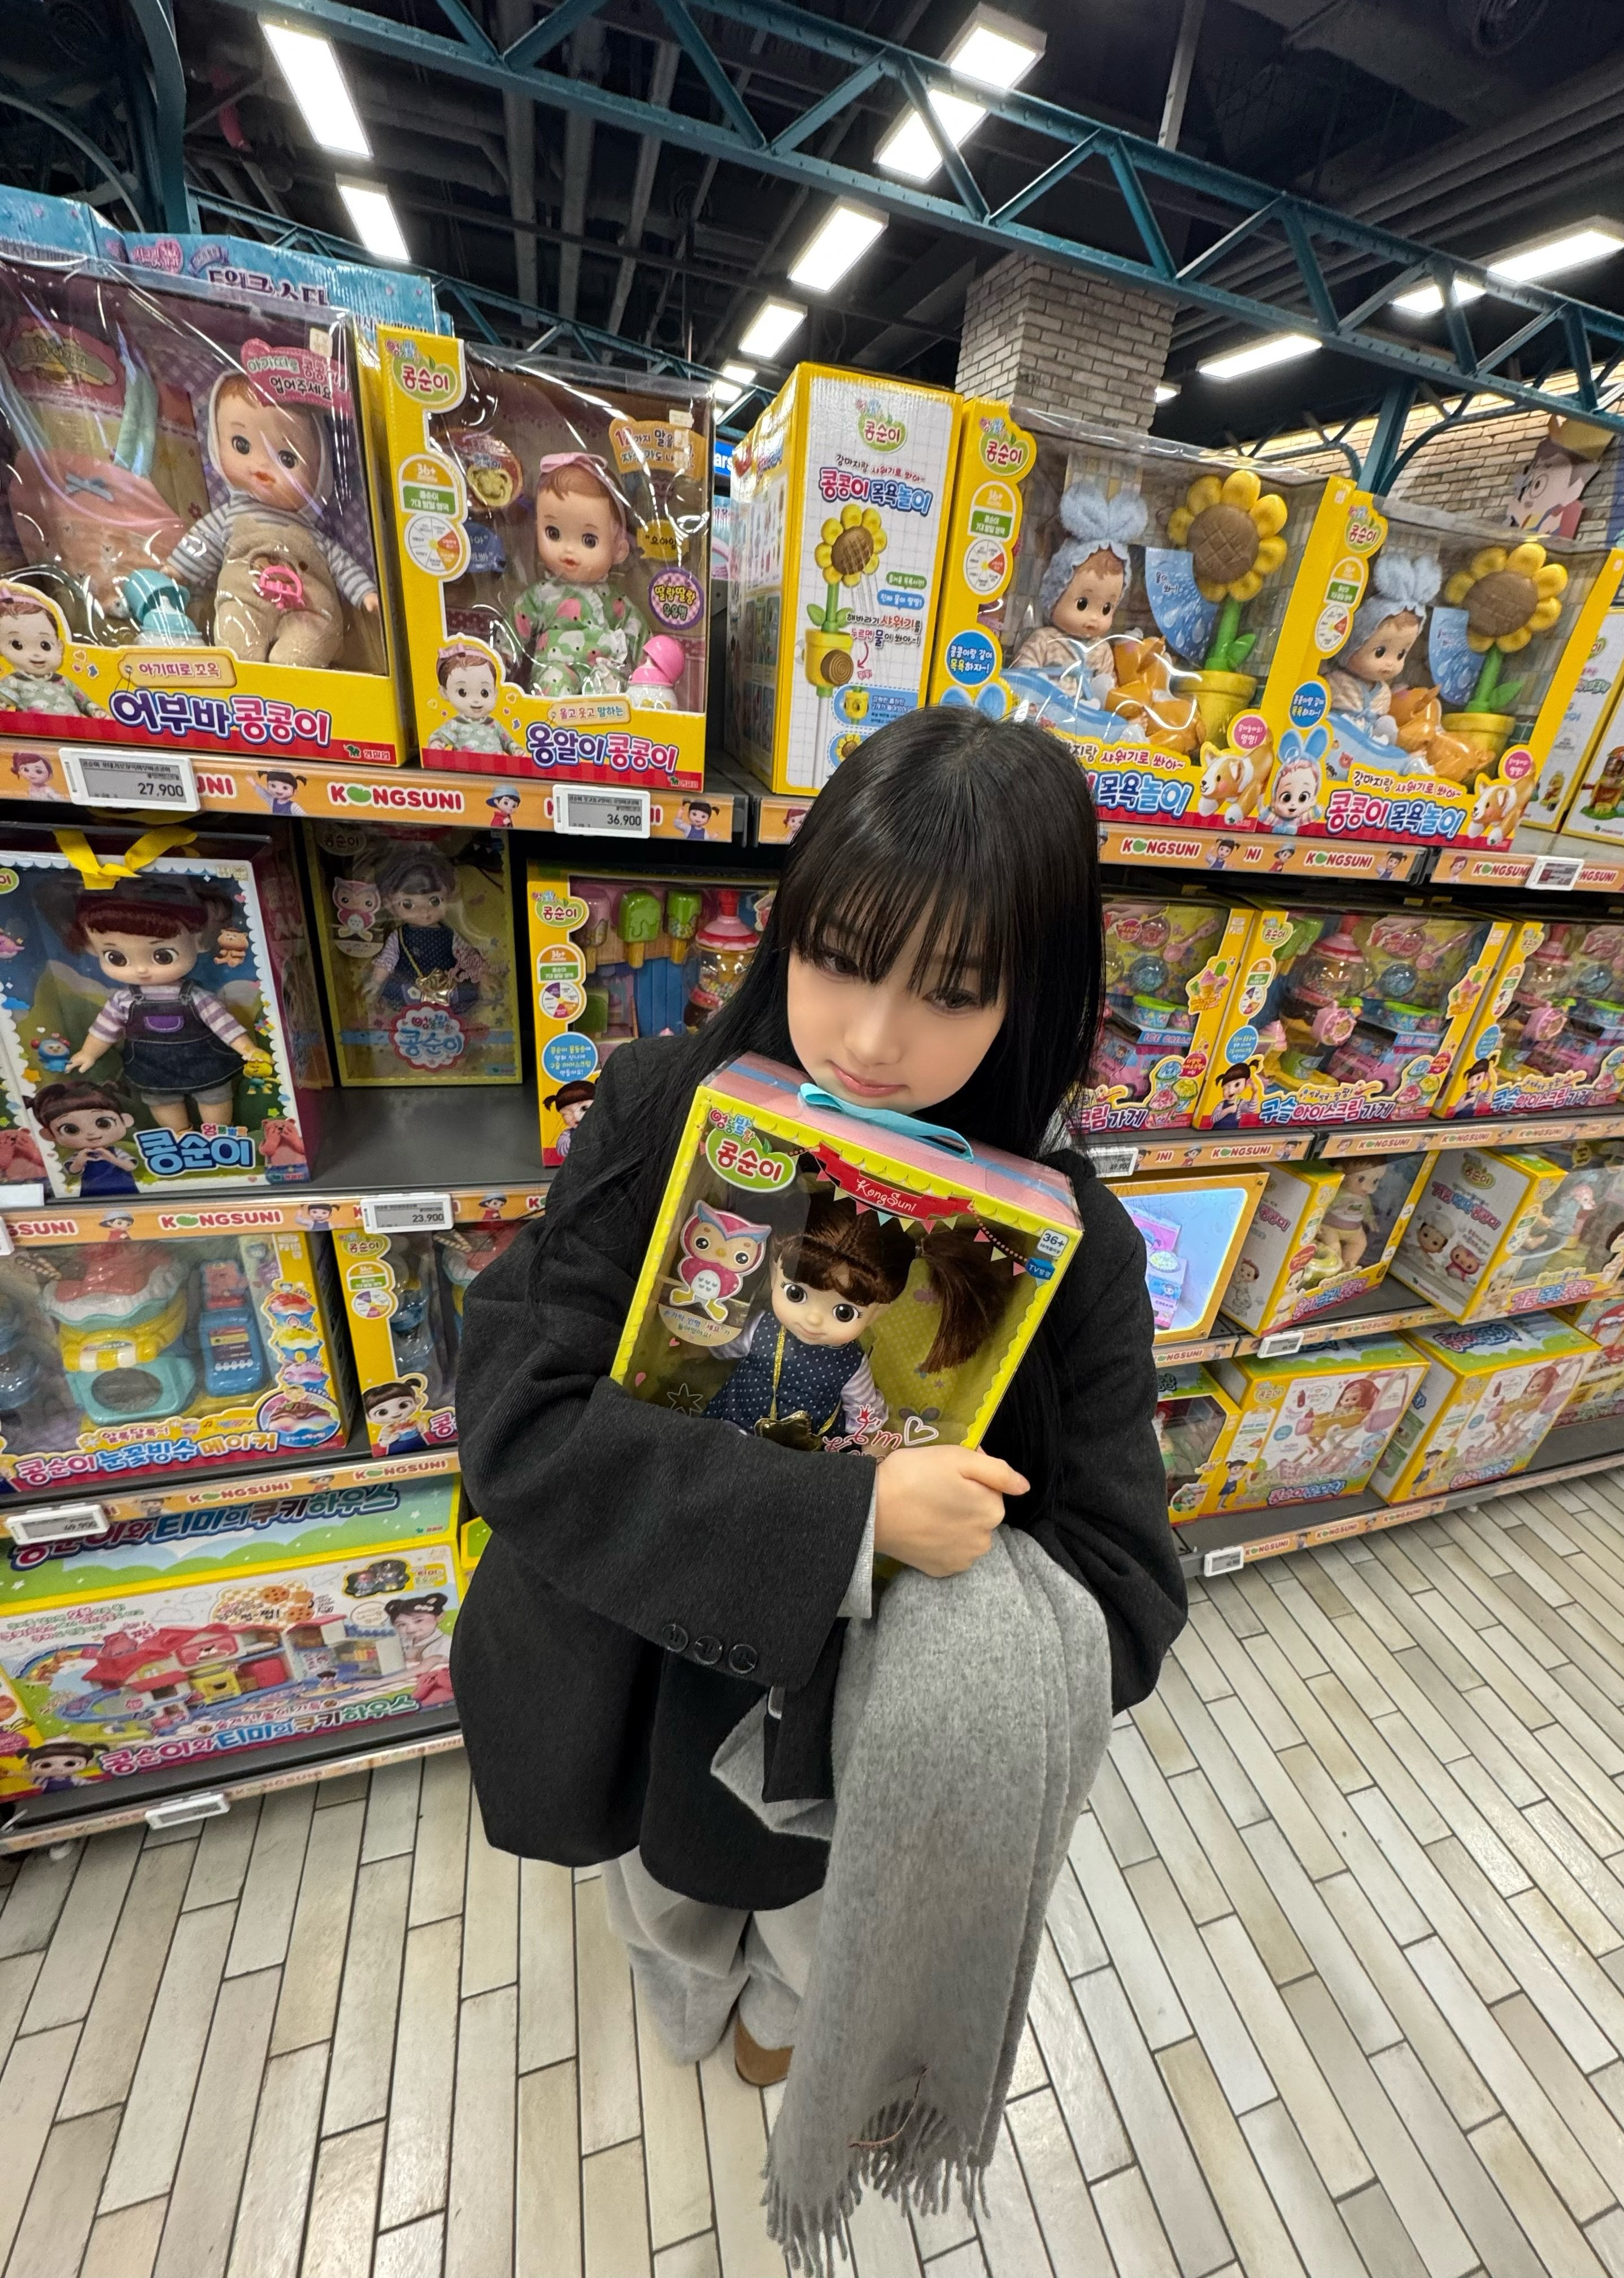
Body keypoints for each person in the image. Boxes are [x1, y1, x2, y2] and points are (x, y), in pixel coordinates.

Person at [453, 708, 1185, 2096]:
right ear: (786, 930)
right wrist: (851, 1521)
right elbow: (516, 1417)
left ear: (1030, 998)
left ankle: (781, 2026)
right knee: (659, 1909)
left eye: (953, 991)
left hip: (844, 1747)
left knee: (812, 1931)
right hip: (627, 1674)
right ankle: (686, 2003)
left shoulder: (1069, 1242)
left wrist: (943, 1559)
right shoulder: (663, 1105)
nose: (872, 1037)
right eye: (838, 957)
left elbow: (1125, 1599)